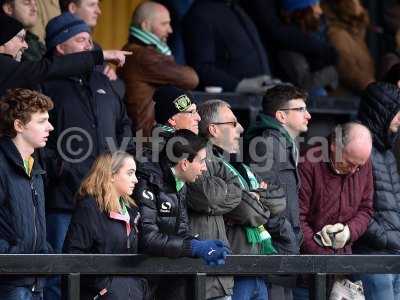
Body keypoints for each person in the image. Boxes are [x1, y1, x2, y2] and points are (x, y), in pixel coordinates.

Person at [40, 12, 133, 300]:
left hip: (107, 199)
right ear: (60, 47)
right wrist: (64, 168)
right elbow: (37, 138)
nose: (89, 46)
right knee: (59, 276)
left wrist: (120, 165)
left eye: (90, 40)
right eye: (80, 40)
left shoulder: (104, 82)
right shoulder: (46, 83)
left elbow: (125, 125)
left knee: (104, 277)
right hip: (65, 199)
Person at [190, 99, 286, 300]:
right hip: (231, 269)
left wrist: (254, 197)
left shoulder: (241, 165)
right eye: (233, 123)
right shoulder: (201, 162)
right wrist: (249, 198)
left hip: (257, 267)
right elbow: (248, 211)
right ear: (214, 129)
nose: (241, 128)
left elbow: (279, 200)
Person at [134, 129, 230, 300]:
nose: (205, 168)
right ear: (184, 163)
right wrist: (194, 247)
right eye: (201, 161)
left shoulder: (180, 183)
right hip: (139, 282)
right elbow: (147, 239)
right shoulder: (147, 182)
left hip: (167, 279)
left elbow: (181, 232)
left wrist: (201, 244)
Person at [244, 85, 311, 299]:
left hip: (284, 246)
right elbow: (260, 200)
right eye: (300, 109)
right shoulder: (265, 144)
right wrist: (287, 236)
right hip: (273, 248)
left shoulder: (283, 143)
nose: (308, 115)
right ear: (281, 115)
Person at [297, 122, 374, 298]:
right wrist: (326, 257)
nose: (355, 170)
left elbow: (366, 209)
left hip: (343, 270)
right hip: (307, 270)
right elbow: (297, 219)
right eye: (350, 162)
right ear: (334, 146)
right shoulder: (308, 163)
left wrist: (348, 232)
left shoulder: (363, 162)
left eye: (359, 166)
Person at [63, 151, 148, 300]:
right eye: (130, 173)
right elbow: (74, 254)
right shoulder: (89, 208)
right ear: (112, 175)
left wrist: (139, 286)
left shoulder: (133, 211)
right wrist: (104, 288)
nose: (135, 180)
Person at [0, 88, 54, 299]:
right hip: (9, 282)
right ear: (19, 125)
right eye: (41, 121)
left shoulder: (35, 167)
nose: (50, 127)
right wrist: (12, 255)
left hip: (34, 280)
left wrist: (44, 252)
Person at [0, 13, 130, 96]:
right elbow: (47, 68)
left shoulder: (99, 74)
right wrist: (100, 56)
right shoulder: (7, 68)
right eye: (21, 38)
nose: (26, 45)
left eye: (89, 40)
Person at [119, 1, 199, 136]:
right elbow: (190, 79)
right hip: (146, 138)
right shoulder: (143, 56)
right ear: (145, 26)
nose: (170, 30)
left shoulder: (134, 51)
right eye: (164, 24)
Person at [353, 82, 400, 300]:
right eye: (396, 112)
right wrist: (389, 239)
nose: (399, 118)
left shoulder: (387, 153)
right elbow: (353, 208)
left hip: (394, 254)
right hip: (372, 257)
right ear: (381, 111)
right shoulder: (358, 149)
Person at [183, 0, 279, 93]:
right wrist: (239, 85)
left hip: (259, 97)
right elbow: (201, 67)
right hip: (232, 103)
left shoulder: (235, 7)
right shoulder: (200, 14)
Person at [322, 0, 375, 94]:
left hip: (361, 93)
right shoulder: (337, 35)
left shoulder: (355, 33)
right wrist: (373, 88)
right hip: (348, 98)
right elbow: (346, 69)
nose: (361, 7)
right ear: (346, 5)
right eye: (357, 3)